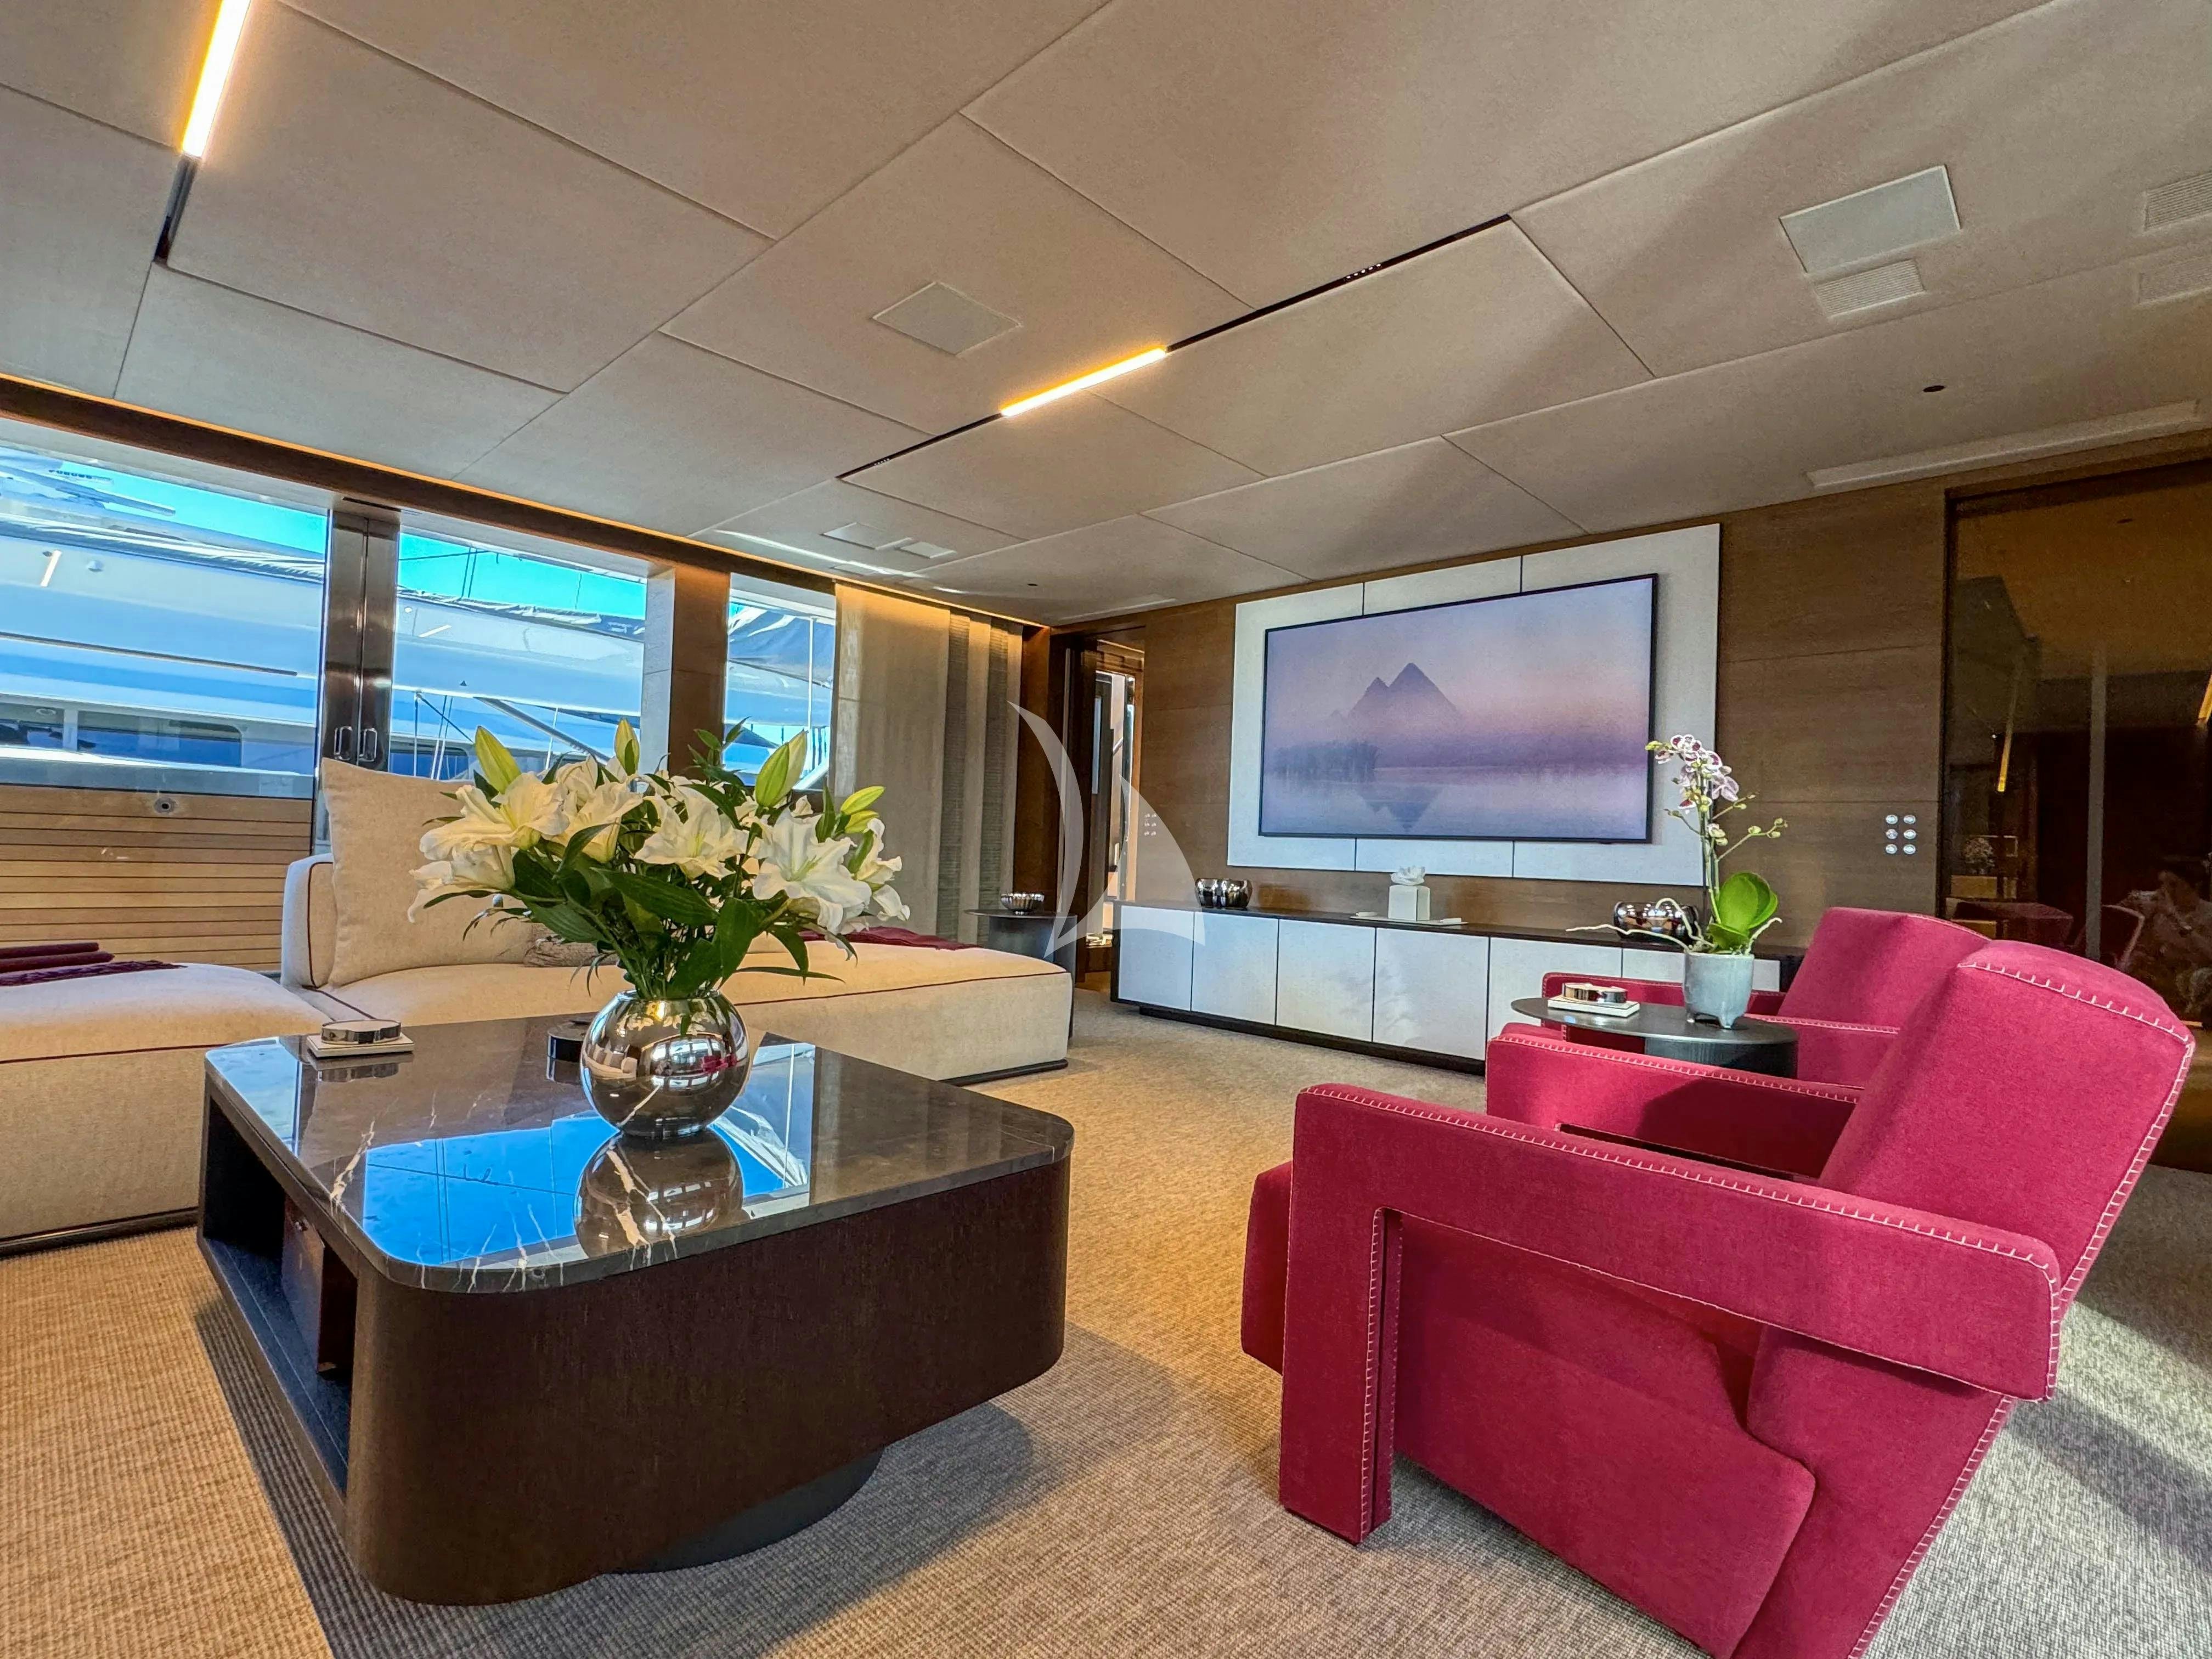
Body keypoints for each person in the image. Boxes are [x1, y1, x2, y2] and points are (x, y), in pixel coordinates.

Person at [2118, 856, 2212, 1021]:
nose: (2165, 891)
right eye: (2163, 884)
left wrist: (2174, 918)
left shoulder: (2208, 914)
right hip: (2168, 973)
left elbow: (2209, 954)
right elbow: (2150, 947)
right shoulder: (2161, 913)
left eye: (2174, 885)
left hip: (2196, 976)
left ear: (2195, 886)